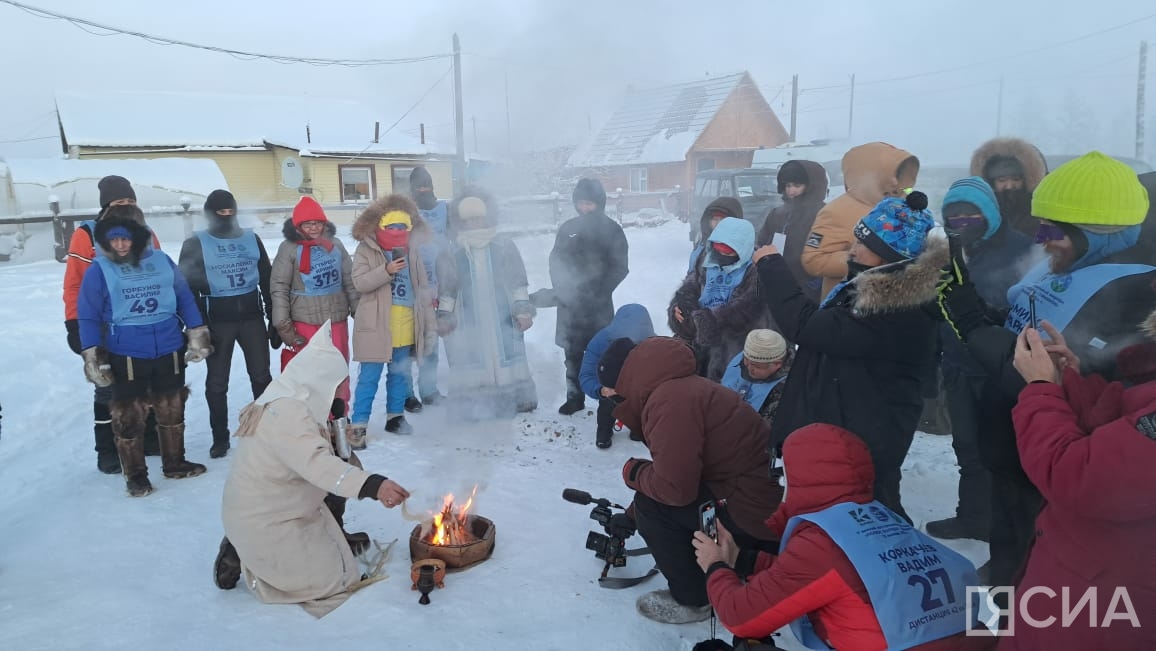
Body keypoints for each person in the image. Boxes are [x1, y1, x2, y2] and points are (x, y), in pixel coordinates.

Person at [938, 151, 1155, 597]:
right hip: (1013, 442)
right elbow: (1024, 321)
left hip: (1053, 471)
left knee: (1031, 564)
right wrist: (979, 308)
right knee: (1008, 536)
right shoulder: (1070, 261)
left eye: (1053, 228)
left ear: (1102, 234)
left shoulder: (1135, 295)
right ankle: (1003, 579)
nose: (1041, 238)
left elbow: (1045, 375)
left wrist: (971, 323)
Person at [693, 423, 991, 651]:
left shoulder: (821, 542)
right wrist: (744, 560)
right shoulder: (879, 519)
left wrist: (716, 567)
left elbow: (741, 616)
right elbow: (833, 577)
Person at [755, 192, 942, 523]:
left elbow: (807, 325)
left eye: (863, 245)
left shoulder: (894, 308)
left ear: (889, 257)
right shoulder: (874, 288)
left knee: (870, 510)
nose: (852, 251)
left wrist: (772, 266)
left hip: (866, 439)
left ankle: (887, 566)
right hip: (849, 427)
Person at [215, 319, 411, 618]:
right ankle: (244, 554)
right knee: (333, 579)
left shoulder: (288, 394)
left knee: (348, 467)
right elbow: (320, 467)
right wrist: (375, 486)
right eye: (334, 386)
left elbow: (329, 461)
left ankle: (301, 540)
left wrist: (335, 432)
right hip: (266, 518)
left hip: (279, 504)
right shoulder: (288, 414)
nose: (337, 393)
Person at [599, 336, 782, 625]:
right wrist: (630, 516)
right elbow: (681, 472)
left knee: (653, 507)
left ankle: (694, 598)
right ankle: (727, 561)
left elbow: (675, 491)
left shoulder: (669, 402)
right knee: (650, 503)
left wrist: (634, 474)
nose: (608, 395)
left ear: (627, 378)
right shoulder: (679, 389)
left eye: (610, 389)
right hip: (752, 501)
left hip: (752, 517)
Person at [1000, 322, 1156, 648]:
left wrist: (1041, 387)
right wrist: (1067, 379)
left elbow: (1076, 475)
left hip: (1103, 606)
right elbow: (1119, 429)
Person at [76, 205, 211, 497]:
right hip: (126, 351)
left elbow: (184, 297)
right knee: (129, 416)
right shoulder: (99, 270)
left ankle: (174, 463)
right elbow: (87, 315)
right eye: (113, 240)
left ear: (138, 237)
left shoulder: (162, 261)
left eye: (126, 239)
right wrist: (91, 355)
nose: (120, 245)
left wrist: (197, 332)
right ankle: (136, 476)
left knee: (171, 407)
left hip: (168, 346)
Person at [927, 177, 1032, 546]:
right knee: (967, 447)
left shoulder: (1021, 249)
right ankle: (971, 518)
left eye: (971, 213)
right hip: (957, 365)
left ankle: (1004, 537)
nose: (962, 221)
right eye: (954, 215)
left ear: (988, 212)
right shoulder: (948, 250)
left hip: (998, 369)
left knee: (1000, 453)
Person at [63, 175, 161, 473]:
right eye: (120, 202)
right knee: (107, 388)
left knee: (147, 381)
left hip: (142, 320)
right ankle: (106, 449)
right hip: (103, 325)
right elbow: (74, 284)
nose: (127, 207)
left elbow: (160, 275)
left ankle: (149, 438)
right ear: (107, 205)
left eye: (131, 201)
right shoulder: (86, 235)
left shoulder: (146, 233)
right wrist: (74, 323)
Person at [178, 189, 275, 458]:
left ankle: (266, 430)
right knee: (217, 382)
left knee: (262, 377)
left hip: (251, 317)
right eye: (220, 213)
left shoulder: (250, 238)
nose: (226, 217)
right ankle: (219, 437)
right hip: (218, 320)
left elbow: (266, 278)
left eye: (230, 212)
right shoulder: (196, 242)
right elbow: (186, 287)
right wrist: (198, 326)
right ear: (210, 214)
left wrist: (273, 317)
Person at [434, 188, 538, 419]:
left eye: (479, 217)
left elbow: (517, 282)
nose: (475, 223)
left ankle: (515, 399)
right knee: (472, 356)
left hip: (502, 315)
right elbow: (447, 290)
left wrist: (523, 310)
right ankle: (474, 405)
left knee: (506, 355)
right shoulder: (453, 252)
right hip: (468, 317)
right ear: (462, 222)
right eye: (469, 220)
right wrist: (444, 316)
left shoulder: (504, 246)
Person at [540, 178, 629, 416]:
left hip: (598, 305)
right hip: (570, 304)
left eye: (589, 203)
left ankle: (607, 398)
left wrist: (598, 292)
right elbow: (555, 261)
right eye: (581, 203)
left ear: (599, 203)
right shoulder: (568, 229)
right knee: (572, 353)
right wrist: (563, 288)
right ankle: (574, 397)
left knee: (604, 354)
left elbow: (620, 267)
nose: (584, 208)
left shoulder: (612, 230)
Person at [349, 194, 436, 437]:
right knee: (369, 378)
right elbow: (359, 282)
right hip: (376, 324)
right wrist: (385, 270)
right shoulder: (366, 249)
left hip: (406, 322)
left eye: (402, 227)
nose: (397, 232)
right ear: (380, 227)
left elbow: (422, 286)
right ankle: (359, 424)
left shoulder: (414, 251)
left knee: (400, 373)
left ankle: (395, 417)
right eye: (391, 227)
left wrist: (428, 321)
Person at [270, 197, 359, 416]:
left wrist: (358, 309)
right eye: (308, 223)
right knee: (312, 374)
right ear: (298, 225)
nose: (313, 227)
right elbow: (279, 287)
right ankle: (315, 419)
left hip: (336, 319)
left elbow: (349, 278)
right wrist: (283, 325)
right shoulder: (288, 248)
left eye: (318, 223)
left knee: (338, 369)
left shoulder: (335, 245)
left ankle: (339, 416)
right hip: (305, 322)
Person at [802, 142, 920, 300]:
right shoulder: (838, 210)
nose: (895, 181)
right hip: (850, 305)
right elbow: (813, 259)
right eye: (889, 174)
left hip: (897, 302)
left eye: (899, 174)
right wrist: (866, 259)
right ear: (867, 173)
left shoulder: (905, 208)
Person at [669, 216, 772, 382]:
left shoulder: (757, 269)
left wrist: (705, 321)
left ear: (742, 250)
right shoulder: (707, 258)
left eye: (728, 252)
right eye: (719, 251)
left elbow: (745, 310)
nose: (722, 255)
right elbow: (691, 285)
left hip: (737, 346)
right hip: (699, 339)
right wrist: (680, 308)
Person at [579, 303, 654, 448]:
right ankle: (604, 432)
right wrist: (601, 390)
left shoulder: (654, 343)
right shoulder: (601, 342)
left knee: (641, 409)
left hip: (639, 392)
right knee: (607, 408)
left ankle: (637, 429)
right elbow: (586, 375)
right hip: (611, 388)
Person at [405, 166, 449, 411]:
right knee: (410, 343)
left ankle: (429, 390)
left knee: (432, 341)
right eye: (419, 186)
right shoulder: (406, 210)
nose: (423, 190)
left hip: (437, 282)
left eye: (427, 186)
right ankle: (407, 394)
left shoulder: (444, 209)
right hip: (411, 283)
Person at [756, 160, 829, 302]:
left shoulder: (823, 214)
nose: (791, 191)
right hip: (777, 282)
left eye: (797, 185)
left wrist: (814, 283)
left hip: (808, 288)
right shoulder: (777, 214)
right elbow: (762, 243)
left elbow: (823, 250)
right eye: (787, 186)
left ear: (811, 187)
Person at [969, 137, 1047, 239]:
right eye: (1002, 180)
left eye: (1016, 179)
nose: (1010, 186)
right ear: (991, 182)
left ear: (1026, 179)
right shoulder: (981, 213)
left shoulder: (1042, 211)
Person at [720, 329, 792, 433]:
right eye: (746, 360)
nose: (748, 368)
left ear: (777, 364)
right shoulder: (746, 357)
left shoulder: (787, 389)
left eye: (756, 366)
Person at [688, 197, 743, 273]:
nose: (718, 224)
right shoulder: (701, 248)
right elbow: (691, 275)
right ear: (709, 221)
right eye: (715, 219)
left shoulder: (743, 250)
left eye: (723, 220)